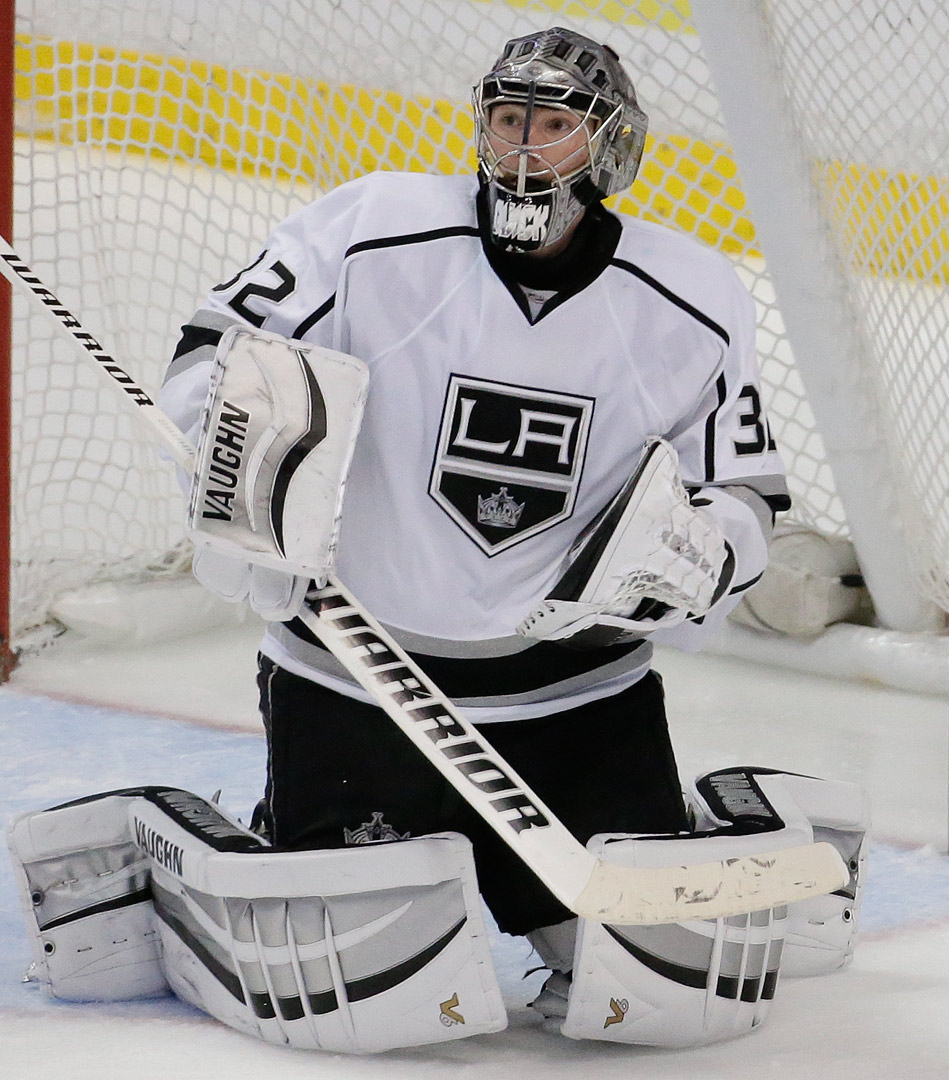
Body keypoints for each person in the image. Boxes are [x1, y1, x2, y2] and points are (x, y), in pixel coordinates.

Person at [4, 26, 866, 1054]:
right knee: (357, 986)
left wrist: (705, 553)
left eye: (553, 127)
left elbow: (743, 493)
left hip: (579, 699)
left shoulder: (693, 296)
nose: (522, 149)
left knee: (669, 994)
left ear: (609, 148)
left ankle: (735, 813)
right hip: (363, 682)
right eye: (508, 121)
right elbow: (211, 353)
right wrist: (233, 441)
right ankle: (180, 849)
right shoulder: (374, 226)